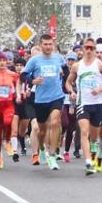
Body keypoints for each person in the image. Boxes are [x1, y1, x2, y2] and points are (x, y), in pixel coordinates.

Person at [65, 37, 102, 176]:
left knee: (94, 136)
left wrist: (100, 89)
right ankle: (88, 162)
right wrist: (71, 92)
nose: (89, 50)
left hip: (98, 103)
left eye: (91, 48)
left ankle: (93, 150)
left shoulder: (100, 65)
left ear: (95, 50)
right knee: (84, 132)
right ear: (82, 49)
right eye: (86, 47)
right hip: (83, 103)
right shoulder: (77, 66)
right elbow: (68, 82)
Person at [23, 35, 67, 171]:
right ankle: (41, 148)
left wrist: (64, 79)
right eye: (45, 44)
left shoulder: (58, 58)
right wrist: (33, 81)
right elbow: (23, 75)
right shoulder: (35, 60)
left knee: (55, 122)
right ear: (41, 45)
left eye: (50, 44)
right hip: (41, 99)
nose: (48, 47)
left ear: (53, 45)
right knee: (42, 131)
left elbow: (66, 70)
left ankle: (52, 154)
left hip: (57, 96)